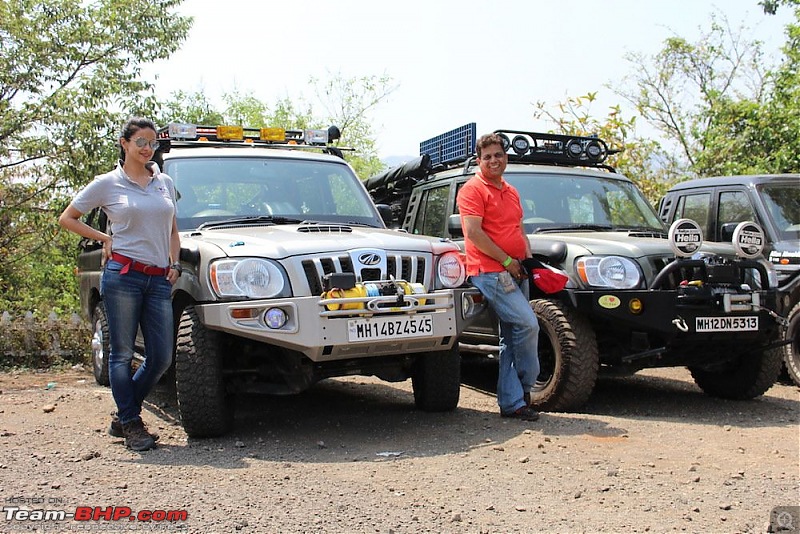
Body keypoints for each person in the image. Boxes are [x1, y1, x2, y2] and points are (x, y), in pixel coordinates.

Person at [59, 118, 182, 451]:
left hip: (158, 278)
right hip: (123, 276)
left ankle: (124, 414)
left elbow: (172, 230)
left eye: (153, 143)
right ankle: (131, 423)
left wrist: (174, 262)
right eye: (141, 141)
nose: (147, 148)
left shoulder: (164, 183)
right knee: (122, 353)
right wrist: (103, 238)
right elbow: (67, 218)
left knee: (160, 357)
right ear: (124, 143)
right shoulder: (108, 183)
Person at [456, 132, 541, 421]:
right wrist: (507, 260)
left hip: (517, 269)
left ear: (506, 157)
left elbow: (518, 228)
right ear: (479, 161)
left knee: (512, 336)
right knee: (529, 325)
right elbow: (474, 233)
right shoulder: (472, 190)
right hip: (491, 271)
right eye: (487, 156)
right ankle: (525, 387)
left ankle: (513, 402)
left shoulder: (512, 190)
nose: (494, 160)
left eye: (498, 155)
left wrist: (526, 260)